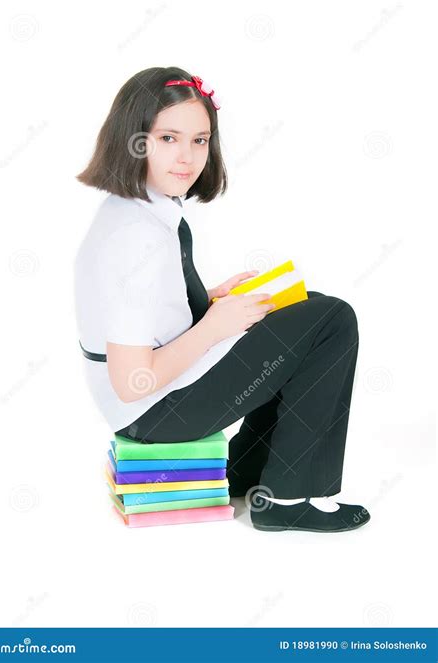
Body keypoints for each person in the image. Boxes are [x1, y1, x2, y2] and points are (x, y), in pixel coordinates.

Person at [74, 66, 371, 533]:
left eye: (200, 140)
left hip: (147, 402)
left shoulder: (143, 208)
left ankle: (250, 474)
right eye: (168, 138)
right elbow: (133, 381)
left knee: (305, 309)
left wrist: (209, 300)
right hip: (151, 411)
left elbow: (140, 309)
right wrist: (214, 327)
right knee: (332, 320)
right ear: (133, 139)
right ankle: (287, 498)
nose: (187, 157)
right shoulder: (134, 237)